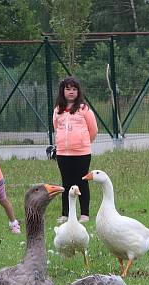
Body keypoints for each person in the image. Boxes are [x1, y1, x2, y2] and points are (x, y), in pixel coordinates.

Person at [52, 76, 98, 224]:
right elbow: (56, 127)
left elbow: (93, 130)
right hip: (63, 154)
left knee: (82, 182)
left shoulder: (84, 109)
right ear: (63, 91)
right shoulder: (58, 110)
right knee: (66, 183)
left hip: (82, 153)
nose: (71, 92)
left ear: (78, 91)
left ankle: (84, 214)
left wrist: (83, 143)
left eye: (74, 89)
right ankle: (66, 214)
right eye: (68, 89)